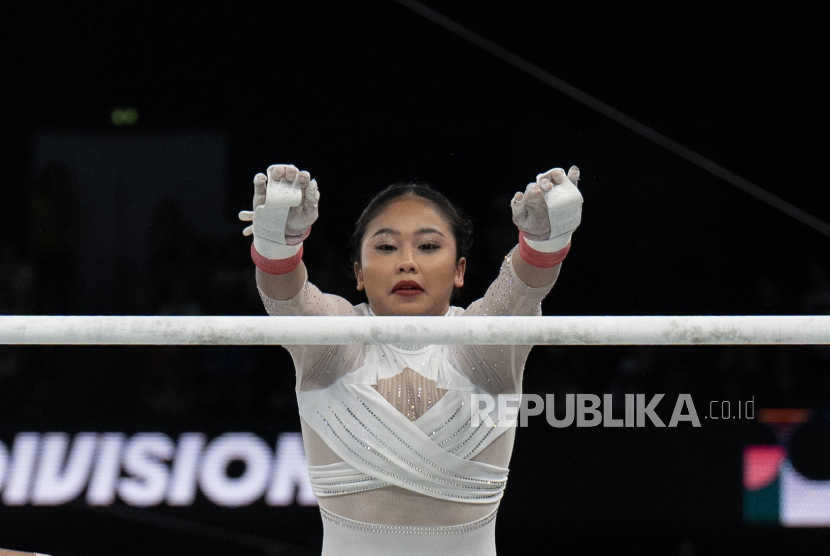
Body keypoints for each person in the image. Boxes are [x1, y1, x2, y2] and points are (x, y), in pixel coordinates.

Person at [239, 163, 582, 556]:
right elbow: (290, 302)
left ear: (460, 271)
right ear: (359, 273)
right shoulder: (337, 344)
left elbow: (520, 292)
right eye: (386, 247)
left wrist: (544, 243)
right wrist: (277, 245)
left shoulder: (479, 348)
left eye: (428, 246)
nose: (407, 262)